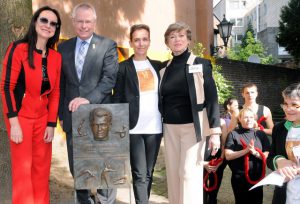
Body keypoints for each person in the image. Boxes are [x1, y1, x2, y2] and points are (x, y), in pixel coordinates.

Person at [58, 3, 118, 204]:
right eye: (80, 21)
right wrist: (60, 115)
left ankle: (104, 200)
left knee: (104, 167)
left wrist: (88, 99)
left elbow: (109, 79)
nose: (84, 25)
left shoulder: (107, 45)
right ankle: (84, 201)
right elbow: (61, 84)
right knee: (78, 167)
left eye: (88, 21)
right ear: (73, 22)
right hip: (72, 117)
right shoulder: (62, 47)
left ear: (94, 22)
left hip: (99, 114)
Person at [0, 6, 61, 204]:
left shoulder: (55, 57)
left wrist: (52, 124)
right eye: (44, 20)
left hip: (43, 120)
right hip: (20, 119)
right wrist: (14, 123)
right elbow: (6, 87)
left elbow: (55, 93)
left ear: (56, 29)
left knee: (41, 171)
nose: (48, 26)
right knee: (23, 173)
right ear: (35, 22)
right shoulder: (18, 49)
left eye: (53, 23)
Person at [160, 22, 221, 204]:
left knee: (188, 173)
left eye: (180, 36)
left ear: (188, 39)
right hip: (169, 128)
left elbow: (212, 99)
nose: (177, 40)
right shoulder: (163, 69)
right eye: (172, 37)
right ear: (167, 43)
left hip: (193, 128)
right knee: (172, 174)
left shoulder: (201, 64)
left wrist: (215, 133)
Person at [113, 24, 163, 204]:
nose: (141, 43)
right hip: (133, 128)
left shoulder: (159, 66)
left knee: (149, 173)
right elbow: (117, 97)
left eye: (144, 39)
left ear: (149, 41)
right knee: (140, 174)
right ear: (131, 42)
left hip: (156, 128)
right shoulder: (123, 68)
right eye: (137, 40)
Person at [225, 108, 270, 204]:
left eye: (251, 117)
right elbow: (228, 156)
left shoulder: (260, 134)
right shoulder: (233, 134)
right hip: (239, 178)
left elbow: (267, 155)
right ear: (240, 119)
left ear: (254, 119)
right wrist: (245, 151)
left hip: (257, 177)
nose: (249, 119)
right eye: (245, 117)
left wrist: (255, 153)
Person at [267, 83, 300, 204]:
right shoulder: (279, 129)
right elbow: (270, 157)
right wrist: (279, 161)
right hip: (284, 196)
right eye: (285, 104)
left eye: (294, 105)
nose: (288, 109)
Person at [203, 118, 228, 204]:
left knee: (214, 186)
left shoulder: (221, 122)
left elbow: (224, 144)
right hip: (202, 157)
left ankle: (212, 201)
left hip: (216, 158)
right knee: (202, 186)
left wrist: (221, 160)